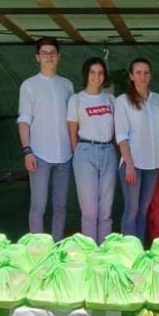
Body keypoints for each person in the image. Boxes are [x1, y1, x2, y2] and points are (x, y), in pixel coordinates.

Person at [17, 37, 74, 240]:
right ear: (37, 57)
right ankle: (38, 251)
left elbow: (72, 121)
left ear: (59, 56)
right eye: (44, 53)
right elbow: (23, 120)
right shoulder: (29, 86)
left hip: (65, 155)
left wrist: (75, 149)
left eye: (52, 52)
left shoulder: (67, 85)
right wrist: (27, 151)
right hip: (38, 154)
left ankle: (57, 247)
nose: (48, 56)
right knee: (38, 206)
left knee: (60, 206)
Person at [115, 58, 159, 243]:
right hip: (133, 164)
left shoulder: (157, 99)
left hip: (153, 165)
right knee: (132, 209)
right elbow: (121, 136)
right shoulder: (122, 101)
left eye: (146, 72)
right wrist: (129, 165)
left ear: (150, 75)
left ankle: (139, 248)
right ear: (131, 75)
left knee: (143, 209)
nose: (142, 76)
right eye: (138, 72)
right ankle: (128, 250)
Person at [67, 57, 116, 243]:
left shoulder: (110, 99)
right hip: (85, 151)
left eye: (100, 72)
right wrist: (77, 154)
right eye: (92, 72)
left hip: (108, 151)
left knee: (106, 210)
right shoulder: (77, 99)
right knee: (89, 212)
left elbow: (117, 129)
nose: (97, 76)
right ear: (86, 74)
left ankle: (103, 252)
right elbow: (72, 131)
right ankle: (89, 253)